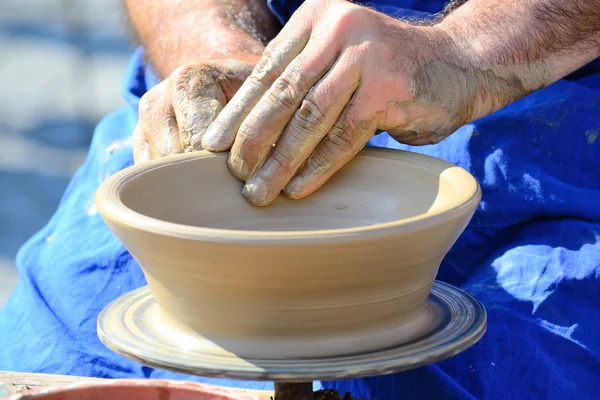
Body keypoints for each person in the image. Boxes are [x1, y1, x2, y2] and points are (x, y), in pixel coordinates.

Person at [0, 0, 598, 398]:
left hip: (548, 94)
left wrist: (469, 51)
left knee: (508, 370)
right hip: (270, 63)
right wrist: (215, 47)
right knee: (55, 357)